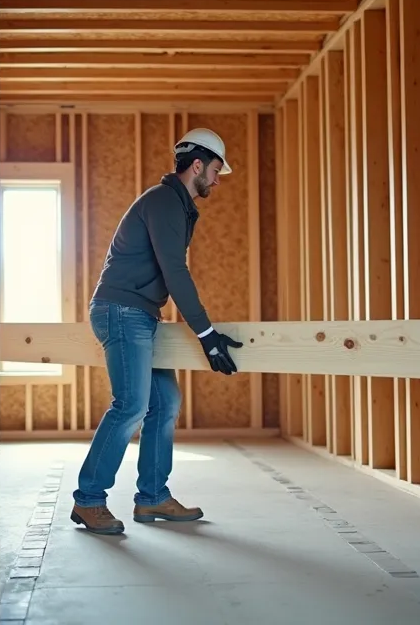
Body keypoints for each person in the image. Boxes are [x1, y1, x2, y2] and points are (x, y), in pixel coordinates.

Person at [69, 128, 245, 535]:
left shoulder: (177, 206)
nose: (218, 180)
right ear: (197, 165)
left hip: (142, 314)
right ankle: (88, 499)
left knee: (164, 402)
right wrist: (206, 335)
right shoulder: (164, 200)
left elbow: (168, 272)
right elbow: (175, 272)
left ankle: (152, 497)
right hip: (122, 310)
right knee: (131, 404)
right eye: (216, 170)